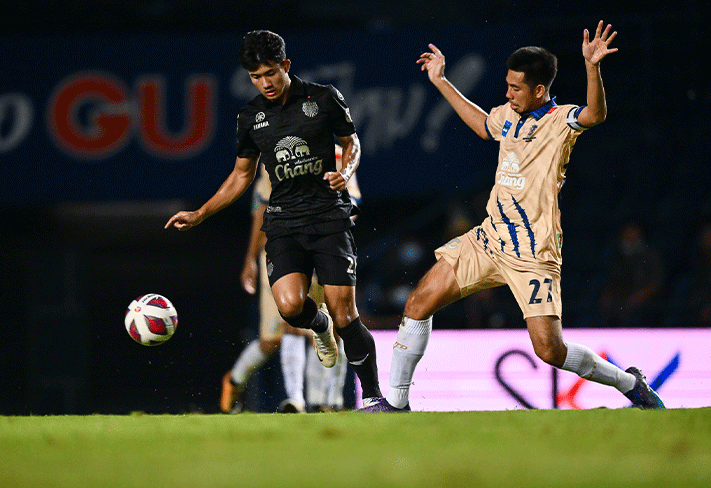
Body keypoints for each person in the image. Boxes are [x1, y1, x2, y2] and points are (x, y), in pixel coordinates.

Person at [363, 21, 664, 411]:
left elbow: (595, 114)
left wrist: (592, 68)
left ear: (539, 90)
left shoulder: (560, 122)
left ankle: (629, 383)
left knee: (550, 350)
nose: (508, 93)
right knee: (418, 302)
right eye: (507, 85)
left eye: (516, 88)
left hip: (533, 251)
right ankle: (397, 403)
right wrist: (441, 81)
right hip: (489, 238)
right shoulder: (508, 113)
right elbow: (483, 125)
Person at [166, 30, 384, 409]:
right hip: (284, 223)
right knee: (290, 308)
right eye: (256, 77)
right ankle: (317, 328)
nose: (264, 83)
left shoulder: (323, 98)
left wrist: (346, 171)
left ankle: (375, 397)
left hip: (328, 218)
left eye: (270, 73)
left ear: (285, 66)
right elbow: (241, 176)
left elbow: (352, 143)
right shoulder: (251, 117)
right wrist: (201, 213)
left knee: (346, 315)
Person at [221, 149, 359, 413]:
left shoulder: (339, 155)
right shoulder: (275, 154)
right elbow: (262, 209)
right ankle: (243, 382)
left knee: (329, 325)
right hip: (280, 252)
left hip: (325, 248)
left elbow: (352, 202)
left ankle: (325, 401)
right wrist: (250, 258)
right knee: (275, 337)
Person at [599, 219, 664, 327]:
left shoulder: (651, 257)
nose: (630, 240)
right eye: (627, 237)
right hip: (621, 304)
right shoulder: (617, 258)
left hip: (645, 306)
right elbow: (611, 283)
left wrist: (638, 297)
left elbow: (656, 285)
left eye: (633, 237)